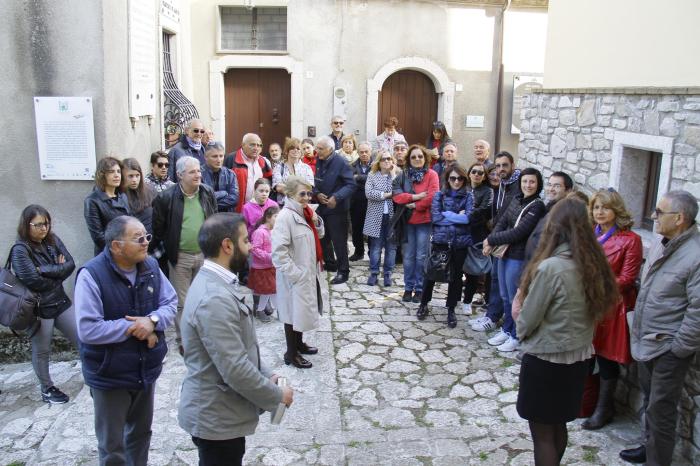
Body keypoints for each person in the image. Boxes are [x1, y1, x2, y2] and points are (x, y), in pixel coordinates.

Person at [178, 213, 293, 466]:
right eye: (245, 240)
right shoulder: (213, 297)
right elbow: (234, 367)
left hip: (224, 413)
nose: (250, 247)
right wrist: (276, 395)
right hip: (217, 417)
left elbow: (240, 345)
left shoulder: (218, 282)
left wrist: (267, 374)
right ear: (227, 246)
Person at [515, 196, 619, 466]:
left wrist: (518, 313)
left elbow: (527, 319)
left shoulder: (551, 268)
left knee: (542, 433)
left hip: (547, 359)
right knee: (558, 424)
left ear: (555, 227)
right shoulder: (594, 264)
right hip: (578, 358)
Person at [75, 216, 177, 465]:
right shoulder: (92, 275)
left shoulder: (150, 266)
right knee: (112, 446)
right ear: (116, 246)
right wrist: (135, 327)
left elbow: (170, 302)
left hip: (145, 369)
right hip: (110, 373)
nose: (146, 243)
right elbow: (88, 329)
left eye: (146, 237)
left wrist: (152, 320)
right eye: (138, 238)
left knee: (140, 435)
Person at [620, 190, 700, 465]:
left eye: (660, 212)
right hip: (647, 338)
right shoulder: (662, 243)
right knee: (650, 401)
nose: (653, 216)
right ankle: (648, 446)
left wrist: (679, 348)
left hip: (669, 346)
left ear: (679, 218)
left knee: (661, 408)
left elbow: (697, 309)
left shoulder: (695, 255)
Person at [580, 188, 643, 431]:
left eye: (605, 207)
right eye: (596, 207)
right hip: (586, 303)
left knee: (606, 359)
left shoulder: (630, 239)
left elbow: (627, 278)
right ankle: (584, 402)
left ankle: (604, 408)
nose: (600, 212)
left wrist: (594, 285)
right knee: (586, 354)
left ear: (616, 210)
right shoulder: (589, 234)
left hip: (612, 307)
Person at [10, 205, 78, 404]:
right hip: (39, 309)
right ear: (26, 225)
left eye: (46, 223)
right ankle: (47, 389)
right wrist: (57, 270)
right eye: (38, 224)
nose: (44, 228)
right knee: (42, 350)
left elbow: (70, 264)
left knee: (82, 337)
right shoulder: (20, 250)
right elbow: (33, 281)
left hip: (60, 301)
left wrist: (44, 269)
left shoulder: (52, 240)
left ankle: (95, 374)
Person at [152, 156, 217, 354]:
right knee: (182, 302)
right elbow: (158, 229)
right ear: (180, 175)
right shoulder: (166, 198)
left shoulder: (207, 192)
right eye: (192, 172)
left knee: (202, 299)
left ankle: (201, 335)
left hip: (203, 255)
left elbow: (213, 220)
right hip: (180, 257)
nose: (198, 175)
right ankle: (185, 339)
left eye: (198, 171)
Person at [483, 167, 546, 352]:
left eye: (532, 182)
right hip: (504, 253)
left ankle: (516, 335)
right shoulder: (517, 199)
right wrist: (491, 239)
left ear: (538, 184)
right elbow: (502, 222)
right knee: (504, 295)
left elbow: (520, 232)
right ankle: (507, 328)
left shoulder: (537, 206)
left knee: (514, 298)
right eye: (525, 181)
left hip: (518, 256)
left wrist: (491, 240)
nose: (528, 185)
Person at [272, 176, 328, 369]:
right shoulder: (285, 217)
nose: (307, 197)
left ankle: (299, 344)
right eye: (302, 194)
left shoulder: (306, 212)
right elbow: (278, 252)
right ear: (290, 195)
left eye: (309, 193)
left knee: (301, 311)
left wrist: (316, 221)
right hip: (295, 275)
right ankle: (291, 353)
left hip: (307, 269)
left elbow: (318, 235)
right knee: (291, 313)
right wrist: (295, 274)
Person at [416, 165, 474, 328]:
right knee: (431, 273)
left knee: (456, 277)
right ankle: (423, 303)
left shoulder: (468, 196)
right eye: (453, 178)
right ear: (447, 179)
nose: (456, 181)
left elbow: (468, 218)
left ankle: (451, 309)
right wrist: (457, 217)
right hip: (440, 241)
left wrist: (447, 214)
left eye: (460, 178)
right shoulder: (439, 196)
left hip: (460, 243)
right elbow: (436, 218)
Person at [471, 152, 521, 332]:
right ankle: (492, 315)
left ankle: (504, 324)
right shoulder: (503, 185)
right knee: (495, 280)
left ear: (512, 165)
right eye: (498, 166)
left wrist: (492, 238)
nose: (500, 169)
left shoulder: (517, 186)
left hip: (509, 243)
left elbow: (510, 218)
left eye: (504, 165)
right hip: (498, 239)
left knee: (507, 288)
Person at [392, 144, 439, 303]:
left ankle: (419, 289)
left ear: (425, 158)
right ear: (408, 159)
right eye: (413, 157)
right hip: (407, 222)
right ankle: (408, 287)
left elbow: (433, 196)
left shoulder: (432, 174)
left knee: (421, 257)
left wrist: (416, 206)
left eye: (420, 156)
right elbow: (396, 195)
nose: (417, 159)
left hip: (424, 221)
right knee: (408, 257)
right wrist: (414, 197)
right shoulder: (403, 175)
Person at [313, 135, 356, 284]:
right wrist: (317, 193)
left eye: (320, 148)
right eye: (317, 147)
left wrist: (336, 197)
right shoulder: (319, 159)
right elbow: (316, 180)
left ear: (330, 149)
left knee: (339, 241)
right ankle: (330, 264)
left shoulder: (341, 162)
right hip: (322, 206)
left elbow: (351, 185)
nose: (317, 151)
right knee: (323, 238)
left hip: (337, 208)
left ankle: (343, 271)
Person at [462, 163, 493, 316]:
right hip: (460, 233)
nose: (476, 174)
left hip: (477, 235)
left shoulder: (488, 191)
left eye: (480, 173)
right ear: (469, 173)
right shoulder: (463, 187)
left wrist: (465, 214)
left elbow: (483, 211)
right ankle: (454, 299)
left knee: (473, 271)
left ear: (484, 176)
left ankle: (467, 301)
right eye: (474, 171)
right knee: (456, 268)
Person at [363, 151, 398, 286]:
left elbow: (398, 192)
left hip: (392, 216)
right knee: (376, 247)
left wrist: (393, 174)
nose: (387, 161)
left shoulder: (396, 175)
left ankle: (388, 274)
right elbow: (369, 193)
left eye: (389, 158)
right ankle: (374, 273)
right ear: (379, 161)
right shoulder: (372, 175)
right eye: (383, 159)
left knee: (391, 247)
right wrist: (387, 194)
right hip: (375, 216)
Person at [84, 156, 130, 256]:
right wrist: (119, 251)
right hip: (108, 253)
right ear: (102, 175)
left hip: (127, 250)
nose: (116, 175)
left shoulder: (123, 196)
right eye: (111, 172)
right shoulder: (92, 201)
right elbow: (98, 237)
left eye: (118, 171)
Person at [524, 172, 574, 263]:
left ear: (568, 191)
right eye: (549, 185)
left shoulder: (565, 215)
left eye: (557, 186)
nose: (551, 189)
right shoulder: (549, 207)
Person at [224, 133, 273, 212]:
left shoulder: (263, 161)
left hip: (257, 210)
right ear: (243, 145)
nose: (256, 148)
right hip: (235, 210)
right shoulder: (231, 159)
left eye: (259, 145)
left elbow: (269, 182)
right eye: (252, 145)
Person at [249, 206, 280, 322]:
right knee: (269, 291)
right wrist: (269, 256)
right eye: (276, 216)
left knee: (271, 290)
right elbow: (255, 249)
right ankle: (276, 311)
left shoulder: (274, 231)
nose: (278, 219)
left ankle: (266, 310)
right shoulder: (259, 232)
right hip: (262, 268)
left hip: (271, 266)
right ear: (268, 217)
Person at [272, 137, 315, 206]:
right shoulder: (279, 167)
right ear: (287, 151)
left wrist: (289, 189)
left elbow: (309, 187)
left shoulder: (307, 168)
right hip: (284, 206)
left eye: (298, 148)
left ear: (301, 151)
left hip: (302, 206)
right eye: (292, 148)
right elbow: (278, 187)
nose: (295, 150)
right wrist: (299, 191)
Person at [201, 142, 240, 213]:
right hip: (206, 216)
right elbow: (201, 199)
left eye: (221, 156)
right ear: (206, 157)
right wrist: (223, 193)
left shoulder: (230, 174)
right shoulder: (198, 173)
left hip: (226, 216)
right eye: (214, 156)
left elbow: (234, 199)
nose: (219, 160)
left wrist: (211, 205)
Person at [349, 142, 371, 261]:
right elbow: (350, 181)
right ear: (357, 153)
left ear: (370, 152)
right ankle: (358, 252)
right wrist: (366, 180)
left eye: (366, 152)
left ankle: (372, 252)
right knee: (357, 228)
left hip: (372, 202)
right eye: (361, 152)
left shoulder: (376, 165)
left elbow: (375, 179)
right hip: (356, 202)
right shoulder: (352, 166)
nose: (364, 154)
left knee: (372, 229)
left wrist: (358, 177)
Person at [121, 158, 155, 234]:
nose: (135, 180)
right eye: (130, 176)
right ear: (123, 176)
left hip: (151, 236)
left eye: (137, 175)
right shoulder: (119, 196)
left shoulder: (150, 190)